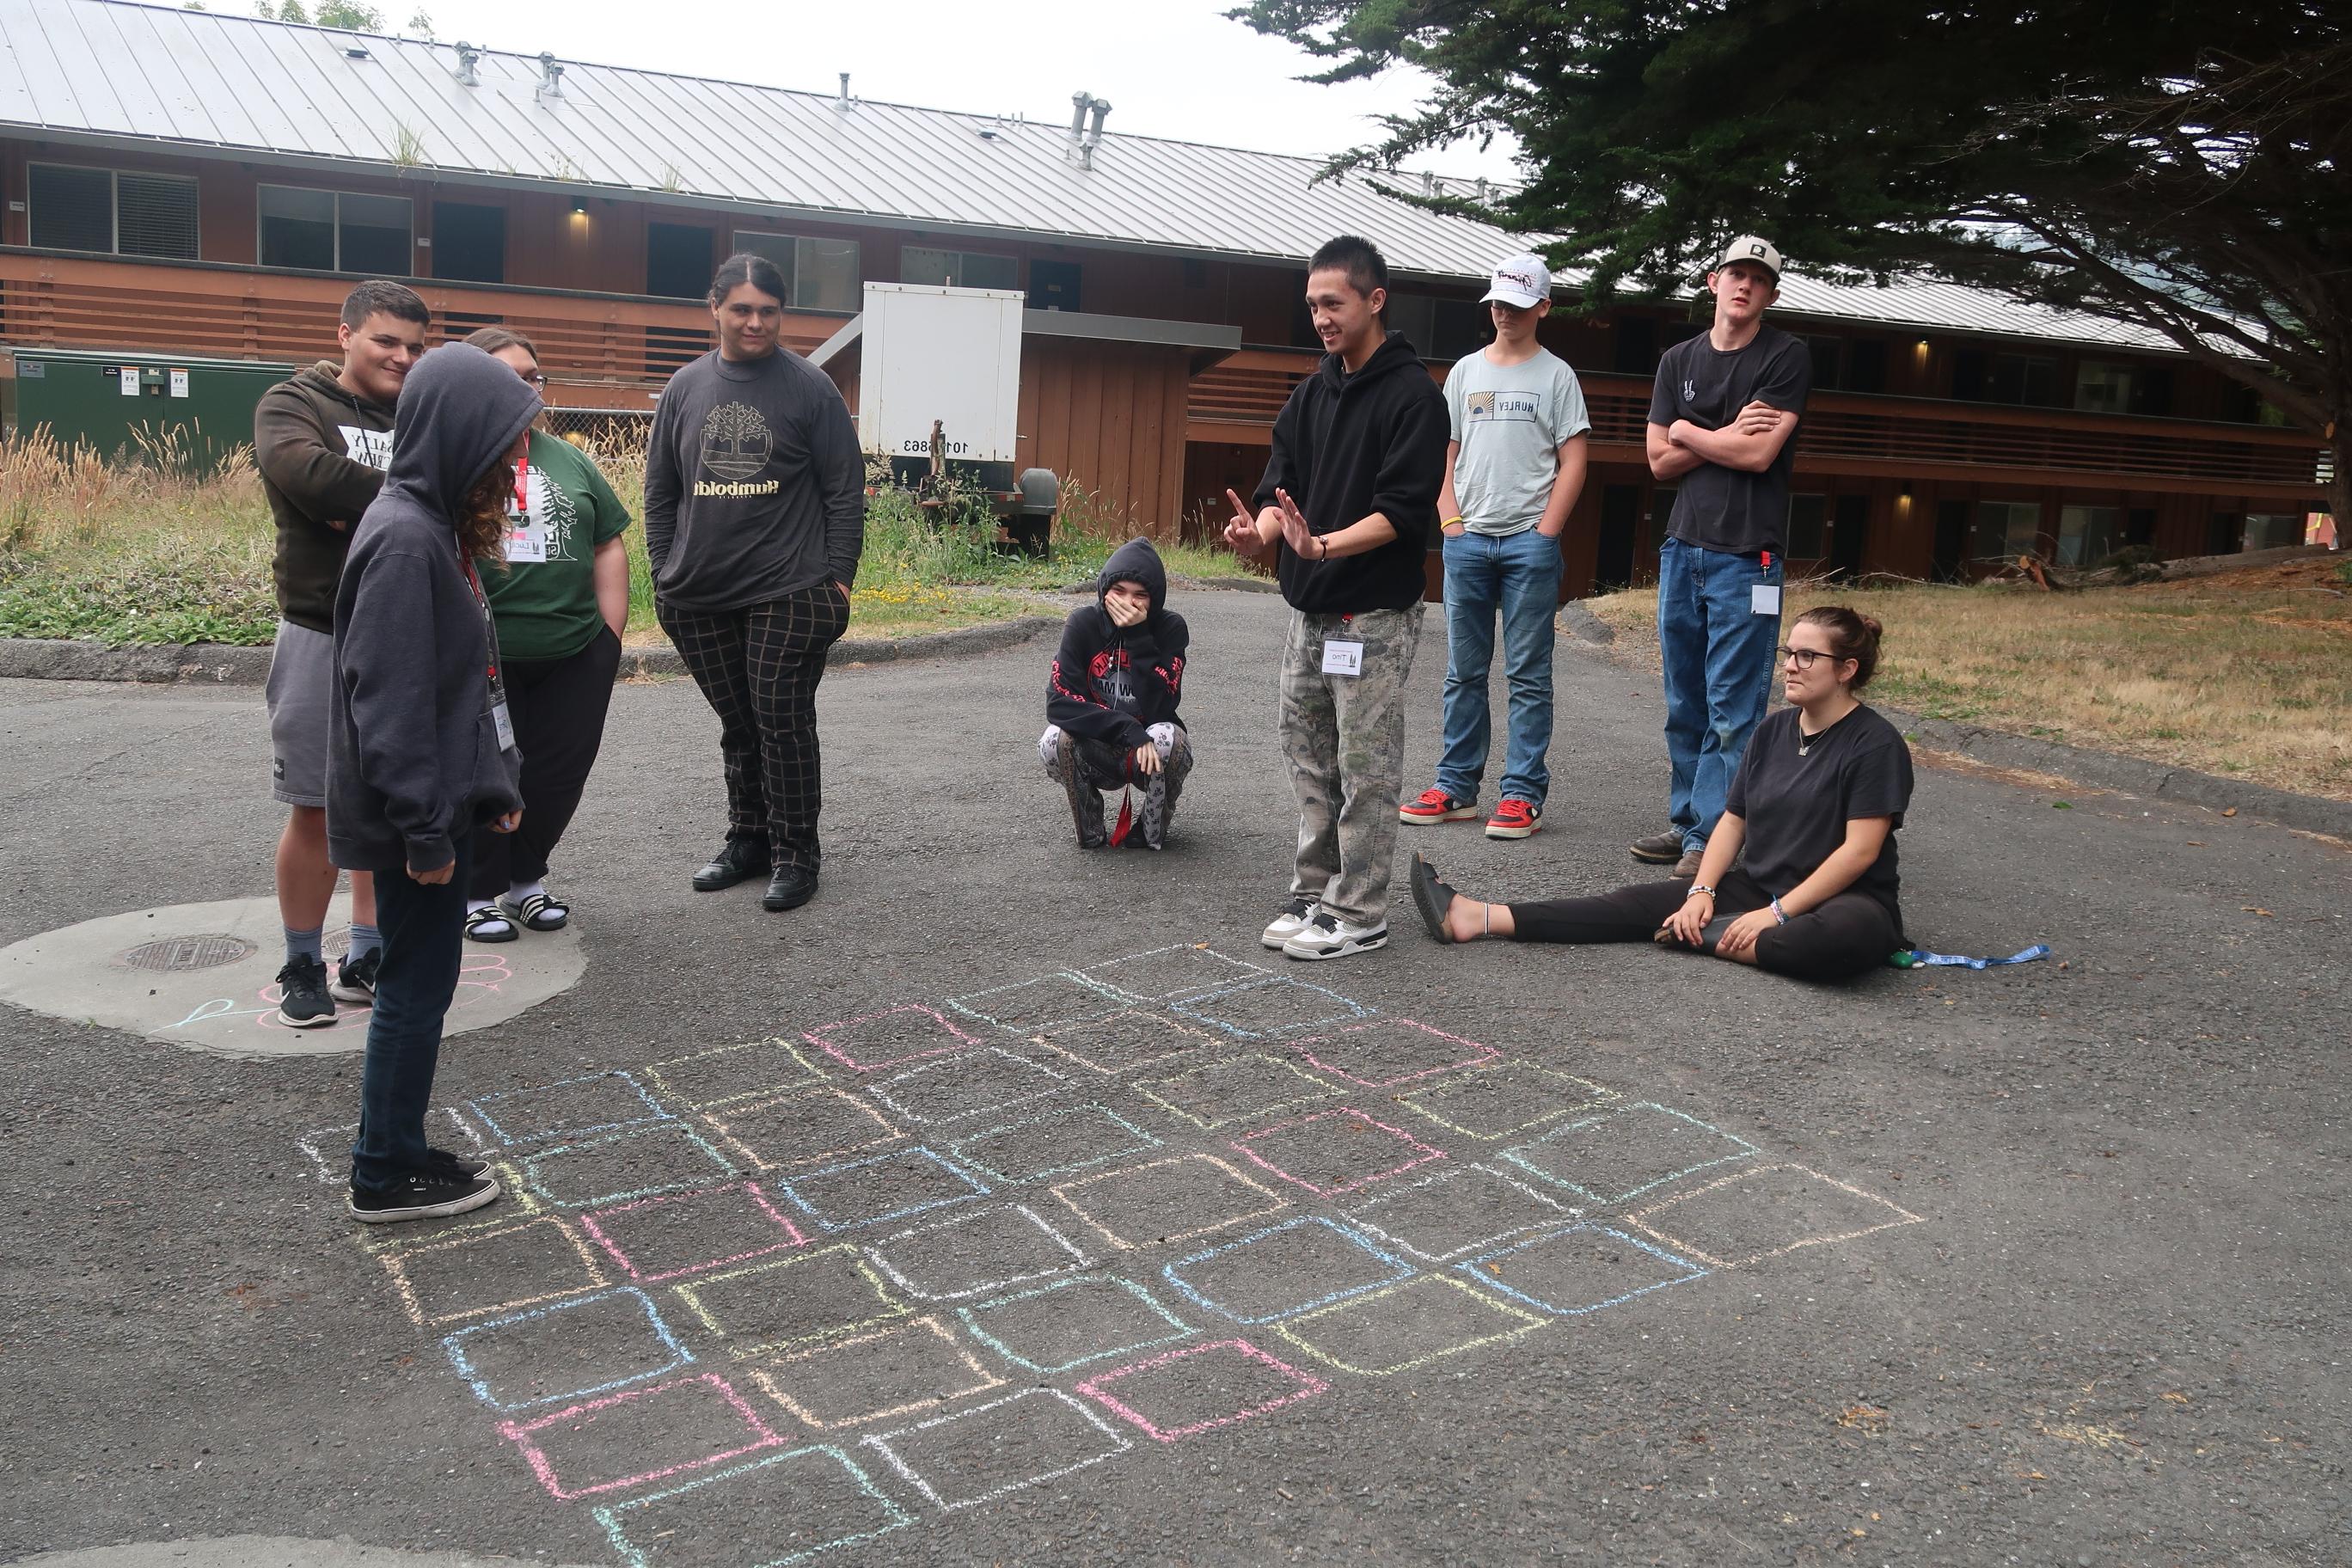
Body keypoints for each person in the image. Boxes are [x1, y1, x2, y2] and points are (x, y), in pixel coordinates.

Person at [1411, 606, 1911, 983]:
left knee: (1840, 940)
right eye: (1788, 654)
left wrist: (1774, 915)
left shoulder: (1875, 743)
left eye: (1808, 656)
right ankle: (1476, 917)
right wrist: (1702, 892)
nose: (1791, 667)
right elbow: (1733, 821)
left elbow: (1860, 851)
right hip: (1759, 887)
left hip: (1844, 902)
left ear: (1846, 669)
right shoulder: (1774, 730)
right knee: (1631, 903)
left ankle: (1709, 937)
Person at [330, 343, 536, 1222]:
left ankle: (400, 1146)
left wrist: (487, 786)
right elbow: (392, 707)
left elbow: (460, 683)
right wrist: (423, 830)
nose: (517, 463)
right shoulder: (404, 540)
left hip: (440, 802)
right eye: (505, 443)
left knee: (423, 985)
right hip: (408, 818)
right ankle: (383, 1171)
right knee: (413, 992)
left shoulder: (433, 526)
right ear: (457, 436)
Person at [1222, 235, 1448, 961]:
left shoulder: (1415, 397)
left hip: (1374, 612)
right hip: (1310, 611)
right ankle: (1315, 889)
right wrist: (1260, 535)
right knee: (1308, 756)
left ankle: (1360, 910)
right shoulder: (1311, 392)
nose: (1321, 317)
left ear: (1375, 300)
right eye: (1313, 304)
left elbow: (1406, 512)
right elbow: (1277, 492)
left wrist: (1323, 545)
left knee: (1365, 763)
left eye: (1334, 303)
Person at [643, 253, 865, 914]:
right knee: (739, 724)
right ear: (714, 309)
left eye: (768, 311)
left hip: (791, 588)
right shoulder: (685, 387)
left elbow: (844, 492)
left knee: (781, 721)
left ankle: (797, 853)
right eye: (741, 309)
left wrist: (839, 583)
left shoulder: (809, 387)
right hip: (698, 593)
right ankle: (750, 840)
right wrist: (662, 570)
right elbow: (661, 492)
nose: (755, 322)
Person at [254, 279, 430, 1027]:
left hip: (404, 632)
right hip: (321, 628)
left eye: (415, 347)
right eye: (386, 340)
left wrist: (357, 506)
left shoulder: (420, 411)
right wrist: (418, 496)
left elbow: (471, 489)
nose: (401, 357)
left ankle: (365, 950)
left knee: (386, 802)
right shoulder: (293, 403)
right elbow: (306, 473)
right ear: (346, 334)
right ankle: (302, 961)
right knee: (317, 807)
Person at [1633, 236, 1813, 879]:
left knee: (1733, 710)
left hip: (1750, 558)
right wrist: (1719, 434)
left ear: (1772, 293)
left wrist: (1688, 429)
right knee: (1685, 700)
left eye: (1759, 279)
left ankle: (1715, 840)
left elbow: (1758, 455)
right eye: (1736, 273)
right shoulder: (1678, 359)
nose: (1745, 285)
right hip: (1684, 548)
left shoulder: (1785, 357)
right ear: (1713, 282)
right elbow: (1658, 462)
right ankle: (1689, 826)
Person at [1405, 250, 1590, 841]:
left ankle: (1521, 794)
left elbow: (1574, 458)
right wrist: (1449, 520)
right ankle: (1457, 787)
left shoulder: (1556, 376)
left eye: (1516, 303)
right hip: (1468, 541)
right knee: (1463, 672)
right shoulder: (1464, 373)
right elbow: (1444, 451)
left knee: (1529, 674)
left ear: (1542, 306)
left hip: (1529, 545)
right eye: (1497, 303)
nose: (1504, 313)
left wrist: (1547, 531)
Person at [455, 328, 631, 942]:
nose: (529, 387)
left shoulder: (568, 457)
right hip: (482, 654)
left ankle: (526, 881)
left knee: (556, 774)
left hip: (574, 650)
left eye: (534, 376)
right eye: (512, 377)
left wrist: (609, 636)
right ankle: (474, 891)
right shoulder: (454, 454)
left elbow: (607, 538)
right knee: (484, 771)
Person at [1042, 538, 1193, 850]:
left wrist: (1138, 636)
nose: (1129, 603)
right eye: (1119, 592)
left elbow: (1161, 706)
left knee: (1169, 737)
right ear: (1104, 592)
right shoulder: (1083, 623)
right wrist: (1127, 729)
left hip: (1146, 755)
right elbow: (1059, 703)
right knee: (1053, 740)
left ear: (1155, 600)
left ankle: (1150, 827)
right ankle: (1090, 822)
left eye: (1141, 596)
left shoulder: (1170, 629)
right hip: (1098, 746)